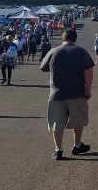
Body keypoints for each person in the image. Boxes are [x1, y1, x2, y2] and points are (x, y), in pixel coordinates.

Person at [40, 29, 95, 160]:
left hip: (56, 93)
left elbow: (43, 67)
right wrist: (88, 89)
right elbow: (88, 71)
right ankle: (77, 145)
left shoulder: (54, 51)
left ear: (62, 39)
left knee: (57, 122)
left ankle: (58, 149)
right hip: (76, 92)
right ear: (75, 39)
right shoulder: (81, 52)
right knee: (78, 121)